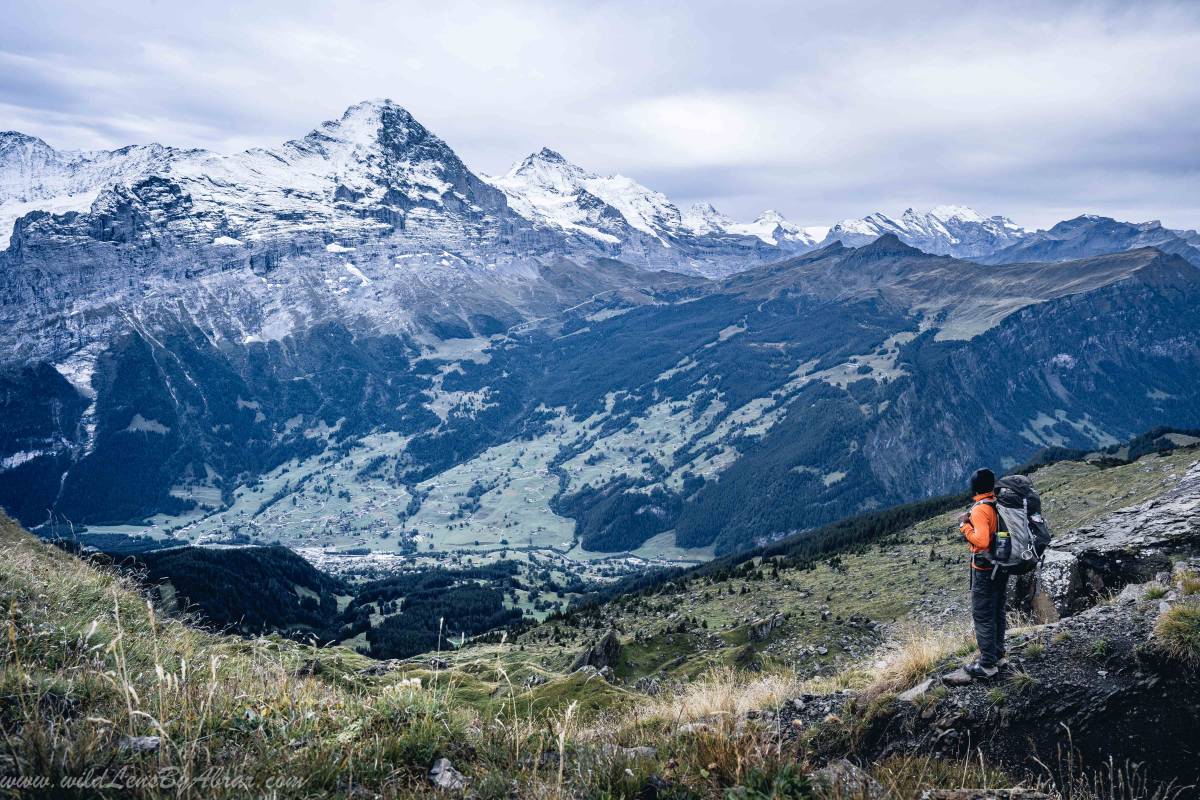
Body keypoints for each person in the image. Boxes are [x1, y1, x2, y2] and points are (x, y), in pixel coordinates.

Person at [951, 468, 1009, 682]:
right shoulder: (997, 503)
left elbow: (982, 541)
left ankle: (987, 665)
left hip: (985, 570)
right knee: (997, 611)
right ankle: (999, 657)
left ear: (974, 487)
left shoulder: (979, 510)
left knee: (983, 614)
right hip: (1001, 566)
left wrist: (964, 526)